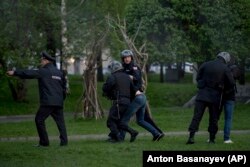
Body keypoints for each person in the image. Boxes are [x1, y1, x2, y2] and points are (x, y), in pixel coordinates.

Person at [6, 51, 68, 147]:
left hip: (48, 102)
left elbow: (29, 73)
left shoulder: (43, 71)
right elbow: (64, 88)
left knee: (39, 120)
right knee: (61, 123)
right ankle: (64, 143)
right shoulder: (59, 73)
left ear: (46, 61)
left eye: (42, 60)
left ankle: (44, 143)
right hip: (58, 102)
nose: (41, 62)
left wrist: (14, 72)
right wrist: (61, 99)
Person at [186, 51, 235, 144]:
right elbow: (231, 83)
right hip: (215, 97)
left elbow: (198, 78)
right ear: (226, 60)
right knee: (213, 118)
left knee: (196, 117)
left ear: (218, 56)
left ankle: (191, 137)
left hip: (201, 95)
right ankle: (212, 139)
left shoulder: (205, 64)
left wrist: (203, 84)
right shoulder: (225, 68)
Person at [119, 49, 164, 141]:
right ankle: (157, 134)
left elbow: (138, 80)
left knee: (124, 120)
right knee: (140, 120)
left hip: (137, 97)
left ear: (131, 58)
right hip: (140, 98)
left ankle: (120, 138)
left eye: (128, 57)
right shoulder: (124, 69)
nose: (127, 59)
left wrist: (133, 84)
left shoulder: (134, 67)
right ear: (123, 59)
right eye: (125, 58)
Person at [102, 61, 138, 143]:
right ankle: (133, 132)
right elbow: (133, 90)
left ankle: (118, 138)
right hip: (127, 102)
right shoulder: (127, 77)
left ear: (113, 68)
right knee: (118, 121)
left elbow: (106, 88)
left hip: (119, 102)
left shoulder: (113, 76)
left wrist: (107, 91)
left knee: (110, 121)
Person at [219, 64, 240, 144]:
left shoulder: (223, 72)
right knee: (228, 118)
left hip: (220, 97)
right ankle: (226, 139)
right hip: (230, 98)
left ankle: (211, 137)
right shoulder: (233, 76)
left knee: (215, 117)